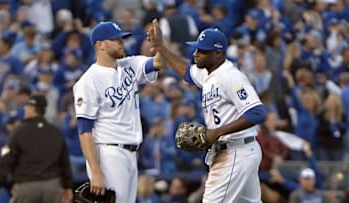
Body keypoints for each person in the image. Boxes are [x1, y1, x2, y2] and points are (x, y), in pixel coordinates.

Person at [148, 19, 266, 202]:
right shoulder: (209, 74)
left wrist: (215, 133)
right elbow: (187, 72)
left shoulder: (230, 77)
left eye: (202, 51)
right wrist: (161, 47)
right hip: (238, 151)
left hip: (235, 152)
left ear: (218, 53)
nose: (196, 54)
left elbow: (257, 112)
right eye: (196, 48)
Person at [72, 21, 165, 203]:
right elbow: (84, 131)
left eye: (121, 39)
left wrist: (160, 44)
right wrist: (96, 172)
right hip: (108, 153)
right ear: (101, 45)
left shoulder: (129, 65)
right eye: (116, 40)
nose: (122, 43)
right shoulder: (88, 81)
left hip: (131, 152)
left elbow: (160, 63)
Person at [0, 94, 73, 203]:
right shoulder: (55, 132)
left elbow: (6, 160)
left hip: (26, 186)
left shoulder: (18, 131)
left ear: (31, 109)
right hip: (52, 186)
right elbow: (65, 162)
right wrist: (67, 186)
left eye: (27, 107)